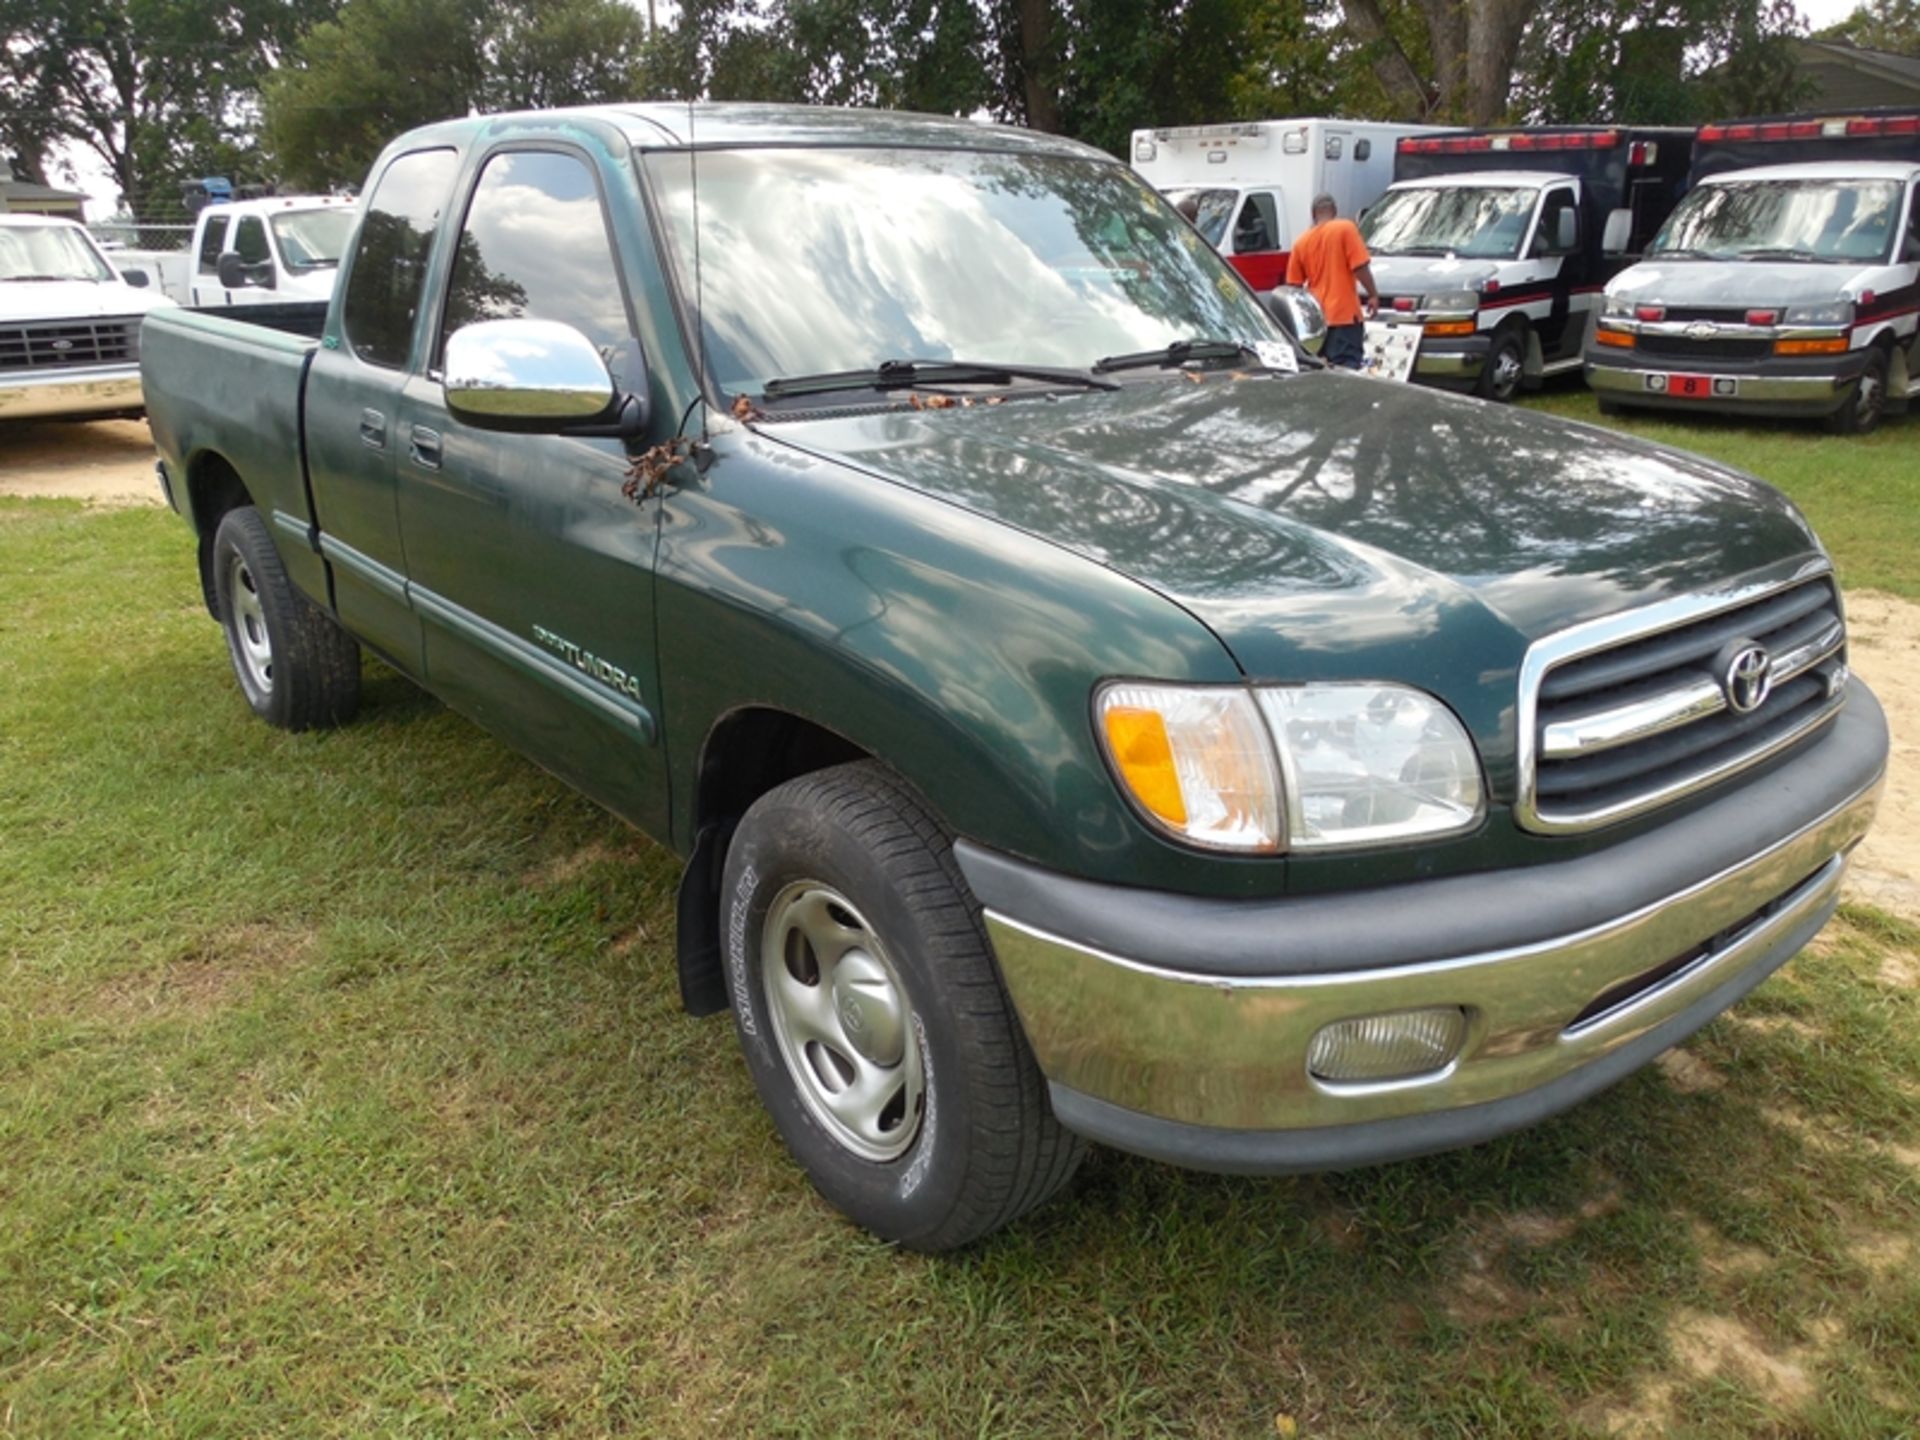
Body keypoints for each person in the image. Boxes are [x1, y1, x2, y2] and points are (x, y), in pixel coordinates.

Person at [1284, 193, 1379, 370]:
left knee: (1323, 369)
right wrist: (1373, 294)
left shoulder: (1301, 242)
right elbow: (1359, 267)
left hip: (1317, 322)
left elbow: (1294, 288)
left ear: (1313, 214)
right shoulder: (1345, 228)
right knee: (1347, 368)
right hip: (1345, 316)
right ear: (1334, 211)